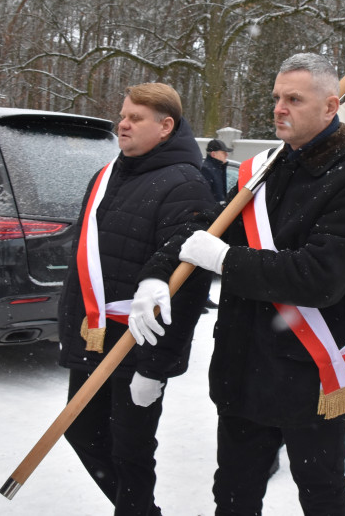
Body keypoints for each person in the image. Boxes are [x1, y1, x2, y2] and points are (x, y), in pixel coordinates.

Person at [133, 53, 345, 516]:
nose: (279, 109)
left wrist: (226, 260)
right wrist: (156, 272)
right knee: (232, 494)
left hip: (309, 375)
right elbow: (208, 227)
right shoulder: (264, 169)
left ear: (330, 106)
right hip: (242, 368)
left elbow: (319, 278)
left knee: (321, 494)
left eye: (294, 99)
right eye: (276, 97)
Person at [57, 82, 214, 516]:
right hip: (94, 338)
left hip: (137, 345)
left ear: (165, 126)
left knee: (131, 453)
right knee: (82, 432)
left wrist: (154, 369)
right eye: (123, 115)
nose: (122, 125)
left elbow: (187, 288)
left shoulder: (186, 185)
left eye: (135, 118)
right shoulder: (107, 174)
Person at [201, 138, 231, 204]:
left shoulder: (219, 169)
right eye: (223, 153)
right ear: (213, 154)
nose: (226, 155)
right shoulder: (206, 170)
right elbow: (204, 197)